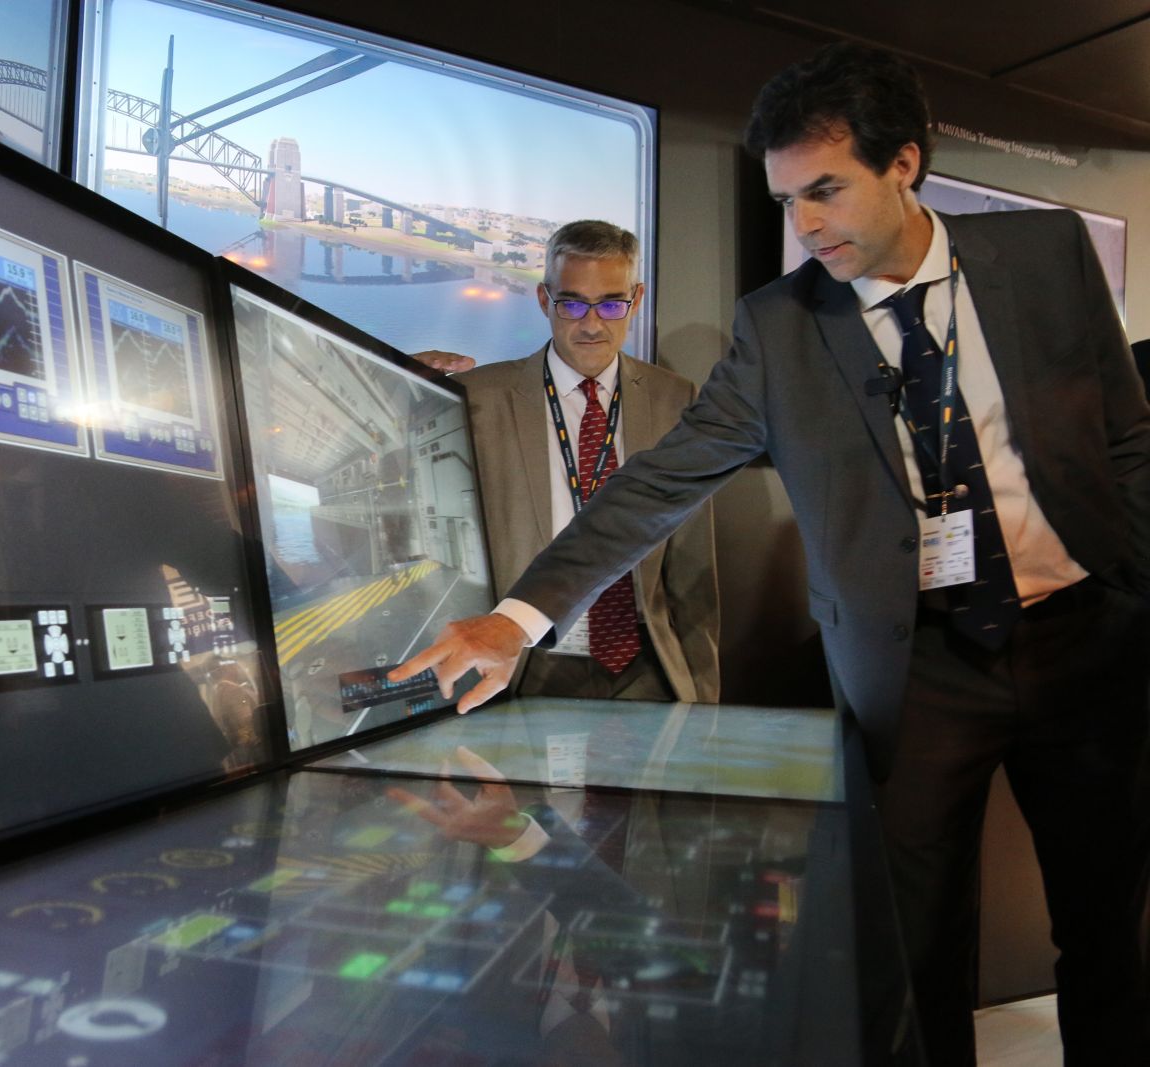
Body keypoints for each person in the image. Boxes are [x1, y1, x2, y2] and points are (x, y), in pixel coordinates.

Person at [393, 41, 1150, 1067]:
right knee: (914, 949)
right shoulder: (779, 327)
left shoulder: (1046, 255)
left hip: (1084, 639)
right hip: (917, 668)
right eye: (787, 201)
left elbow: (1124, 436)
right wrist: (516, 616)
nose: (805, 227)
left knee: (1111, 931)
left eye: (825, 192)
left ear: (905, 164)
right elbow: (660, 481)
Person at [422, 220, 720, 703]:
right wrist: (405, 391)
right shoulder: (477, 397)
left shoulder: (674, 397)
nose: (591, 323)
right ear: (544, 301)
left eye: (611, 303)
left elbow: (690, 566)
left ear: (636, 300)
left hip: (647, 666)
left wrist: (704, 695)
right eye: (572, 303)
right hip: (523, 663)